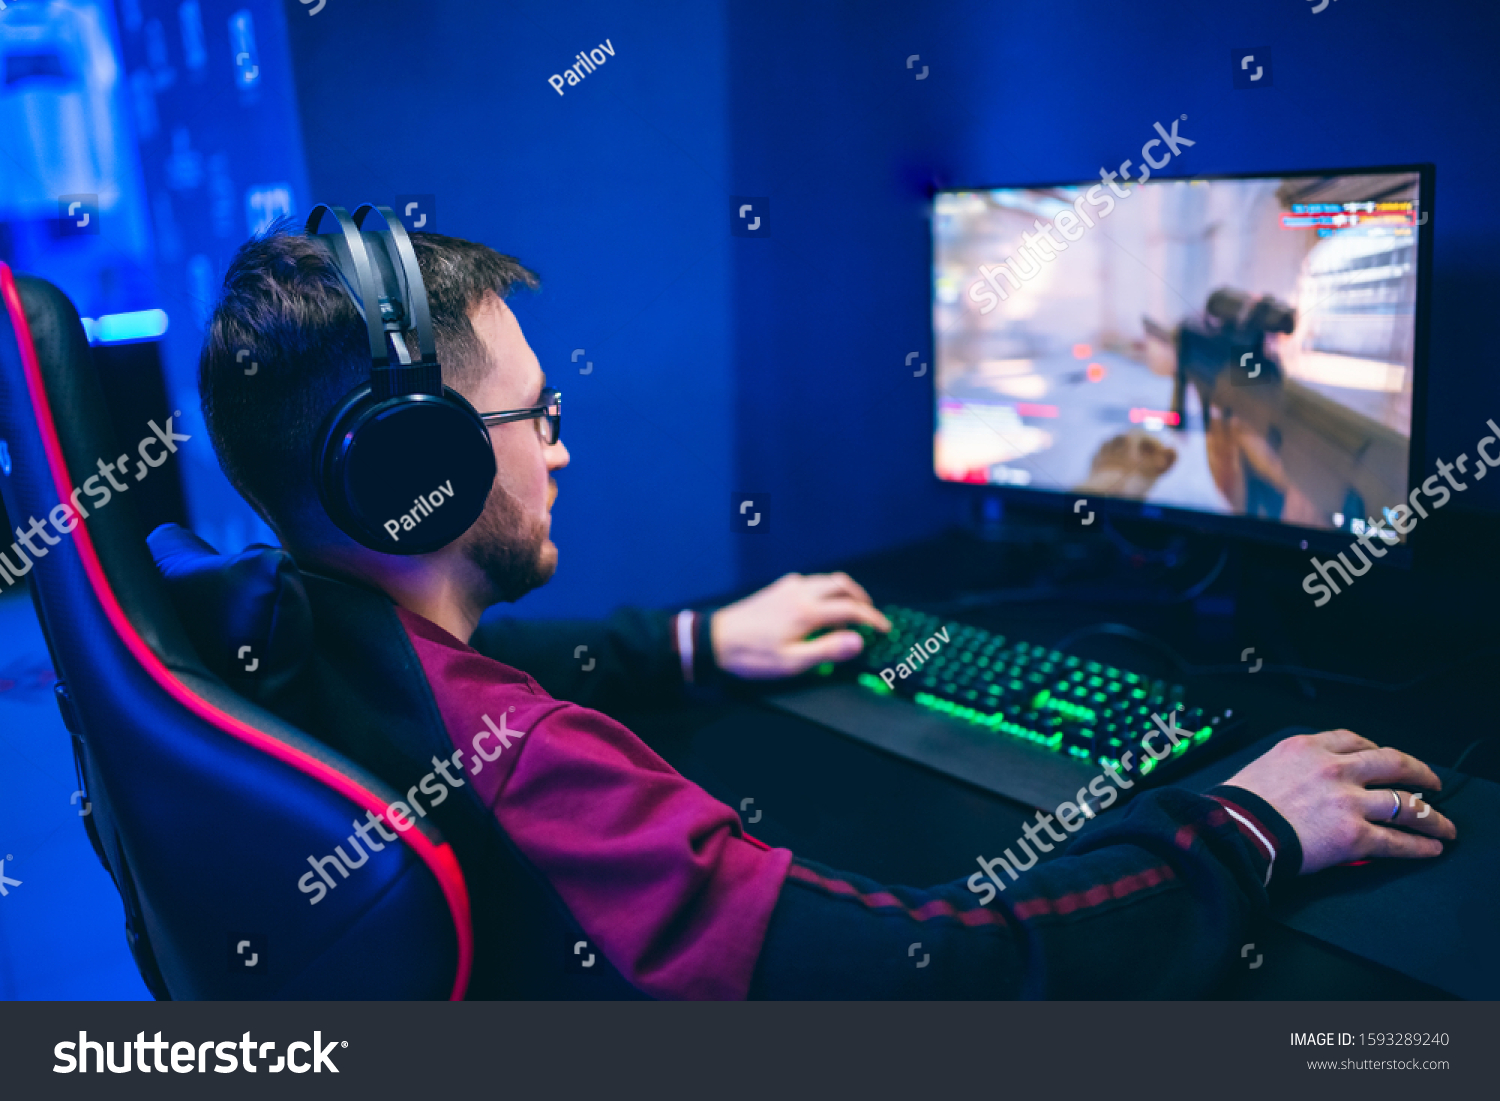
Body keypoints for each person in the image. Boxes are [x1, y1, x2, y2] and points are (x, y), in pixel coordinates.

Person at [197, 223, 1456, 998]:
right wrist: (1242, 827)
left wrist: (697, 640)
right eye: (541, 417)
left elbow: (493, 655)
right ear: (419, 466)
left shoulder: (275, 628)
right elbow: (950, 978)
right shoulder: (534, 770)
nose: (564, 454)